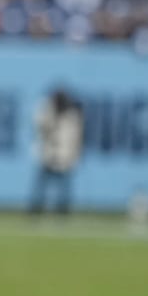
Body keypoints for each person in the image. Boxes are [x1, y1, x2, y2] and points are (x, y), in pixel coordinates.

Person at [30, 86, 84, 214]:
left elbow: (75, 138)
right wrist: (51, 112)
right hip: (48, 154)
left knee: (64, 187)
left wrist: (74, 155)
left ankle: (63, 210)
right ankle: (36, 209)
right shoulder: (47, 111)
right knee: (41, 185)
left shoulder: (72, 115)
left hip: (65, 156)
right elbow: (39, 127)